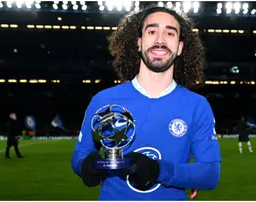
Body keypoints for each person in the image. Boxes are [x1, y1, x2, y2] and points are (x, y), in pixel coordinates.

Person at [71, 5, 221, 200]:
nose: (160, 40)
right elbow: (80, 155)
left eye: (170, 33)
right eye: (152, 31)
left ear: (180, 47)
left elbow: (210, 173)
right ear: (139, 43)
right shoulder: (104, 100)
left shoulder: (197, 106)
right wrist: (85, 166)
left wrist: (161, 170)